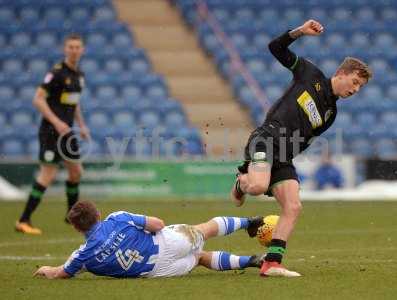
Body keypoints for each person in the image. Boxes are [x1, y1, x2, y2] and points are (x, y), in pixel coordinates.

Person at [231, 20, 372, 277]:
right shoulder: (309, 73)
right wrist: (299, 32)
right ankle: (242, 182)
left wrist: (285, 168)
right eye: (354, 82)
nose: (355, 89)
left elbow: (306, 139)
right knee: (259, 187)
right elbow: (275, 47)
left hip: (284, 155)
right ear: (341, 73)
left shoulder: (331, 113)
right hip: (266, 138)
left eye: (360, 87)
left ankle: (271, 263)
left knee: (293, 207)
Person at [34, 200, 269, 279]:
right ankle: (249, 223)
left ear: (76, 228)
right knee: (205, 229)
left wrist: (47, 269)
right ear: (97, 214)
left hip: (158, 270)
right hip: (165, 242)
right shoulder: (116, 219)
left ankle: (251, 261)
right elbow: (157, 224)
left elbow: (61, 273)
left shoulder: (82, 257)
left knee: (199, 259)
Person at [15, 34, 90, 235]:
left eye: (77, 47)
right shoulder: (56, 73)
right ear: (65, 49)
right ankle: (23, 220)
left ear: (82, 50)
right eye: (71, 47)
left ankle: (71, 216)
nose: (74, 50)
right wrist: (56, 122)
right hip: (50, 130)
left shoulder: (79, 75)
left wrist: (82, 126)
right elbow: (37, 100)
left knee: (76, 172)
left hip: (68, 131)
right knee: (48, 174)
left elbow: (73, 102)